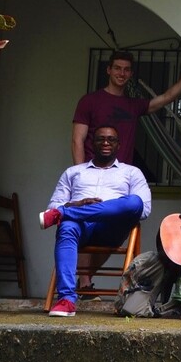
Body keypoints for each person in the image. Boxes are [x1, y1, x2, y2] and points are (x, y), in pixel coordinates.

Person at [39, 125, 150, 317]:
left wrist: (76, 211)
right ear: (92, 143)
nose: (105, 143)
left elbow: (143, 209)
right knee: (66, 227)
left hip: (112, 228)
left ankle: (67, 214)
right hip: (82, 228)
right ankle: (66, 300)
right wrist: (77, 204)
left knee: (134, 202)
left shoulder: (132, 172)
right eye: (100, 139)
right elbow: (53, 206)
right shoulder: (73, 172)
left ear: (118, 145)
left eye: (111, 139)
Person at [72, 50, 181, 165]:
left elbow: (167, 97)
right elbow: (77, 140)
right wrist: (80, 174)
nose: (122, 73)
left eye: (126, 69)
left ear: (131, 73)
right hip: (93, 171)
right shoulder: (89, 101)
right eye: (117, 68)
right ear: (109, 70)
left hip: (122, 175)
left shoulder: (134, 105)